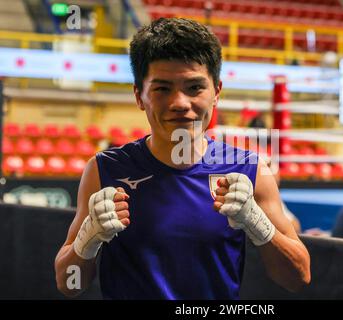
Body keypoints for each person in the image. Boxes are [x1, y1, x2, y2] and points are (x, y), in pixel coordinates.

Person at [54, 18, 310, 299]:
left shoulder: (250, 171)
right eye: (162, 89)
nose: (179, 103)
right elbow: (69, 285)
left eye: (194, 88)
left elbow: (298, 278)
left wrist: (255, 221)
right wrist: (87, 240)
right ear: (140, 96)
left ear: (217, 93)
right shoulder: (105, 170)